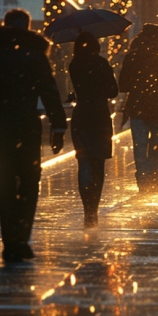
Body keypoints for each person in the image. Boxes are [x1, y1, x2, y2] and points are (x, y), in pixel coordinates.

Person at [0, 9, 67, 263]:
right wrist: (58, 126)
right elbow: (49, 91)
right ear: (27, 27)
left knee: (4, 178)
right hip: (26, 125)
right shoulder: (35, 55)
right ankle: (21, 236)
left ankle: (9, 237)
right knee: (29, 180)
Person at [69, 32, 119, 227]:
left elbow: (80, 87)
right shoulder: (101, 63)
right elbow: (113, 90)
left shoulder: (74, 64)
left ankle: (86, 208)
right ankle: (93, 210)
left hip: (81, 115)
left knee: (83, 161)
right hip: (99, 116)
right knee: (98, 163)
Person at [118, 24, 158, 194]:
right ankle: (154, 180)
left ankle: (143, 179)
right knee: (157, 146)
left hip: (138, 107)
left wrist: (138, 85)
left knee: (140, 146)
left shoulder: (133, 56)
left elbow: (123, 85)